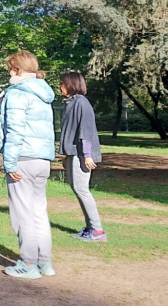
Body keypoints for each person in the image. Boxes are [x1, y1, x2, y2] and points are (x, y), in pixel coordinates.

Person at [0, 50, 56, 280]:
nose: (8, 72)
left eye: (10, 68)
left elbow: (14, 132)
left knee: (22, 214)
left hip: (23, 159)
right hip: (42, 159)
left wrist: (9, 164)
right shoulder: (43, 93)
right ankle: (44, 262)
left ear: (17, 70)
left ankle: (28, 264)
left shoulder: (18, 93)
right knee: (39, 211)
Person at [59, 71, 106, 242]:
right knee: (77, 188)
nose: (60, 86)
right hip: (74, 153)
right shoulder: (71, 103)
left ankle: (98, 231)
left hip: (82, 154)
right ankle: (90, 227)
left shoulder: (81, 103)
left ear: (71, 84)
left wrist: (87, 155)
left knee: (82, 189)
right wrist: (66, 155)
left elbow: (85, 130)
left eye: (62, 83)